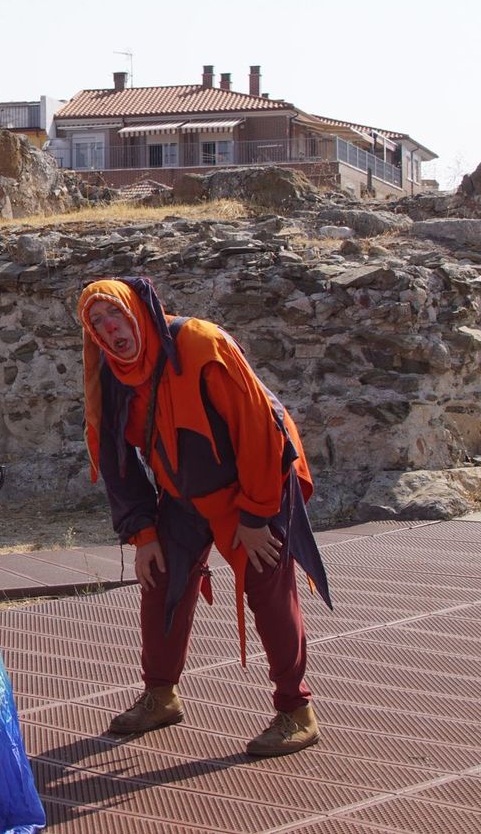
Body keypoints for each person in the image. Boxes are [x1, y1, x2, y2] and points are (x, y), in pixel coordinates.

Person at [78, 277, 332, 757]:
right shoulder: (111, 374)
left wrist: (256, 517)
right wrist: (143, 531)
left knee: (270, 592)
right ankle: (161, 696)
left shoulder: (201, 343)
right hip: (183, 496)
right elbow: (114, 457)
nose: (110, 328)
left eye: (116, 314)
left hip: (252, 490)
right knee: (160, 580)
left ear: (138, 311)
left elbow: (259, 427)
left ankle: (297, 711)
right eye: (97, 322)